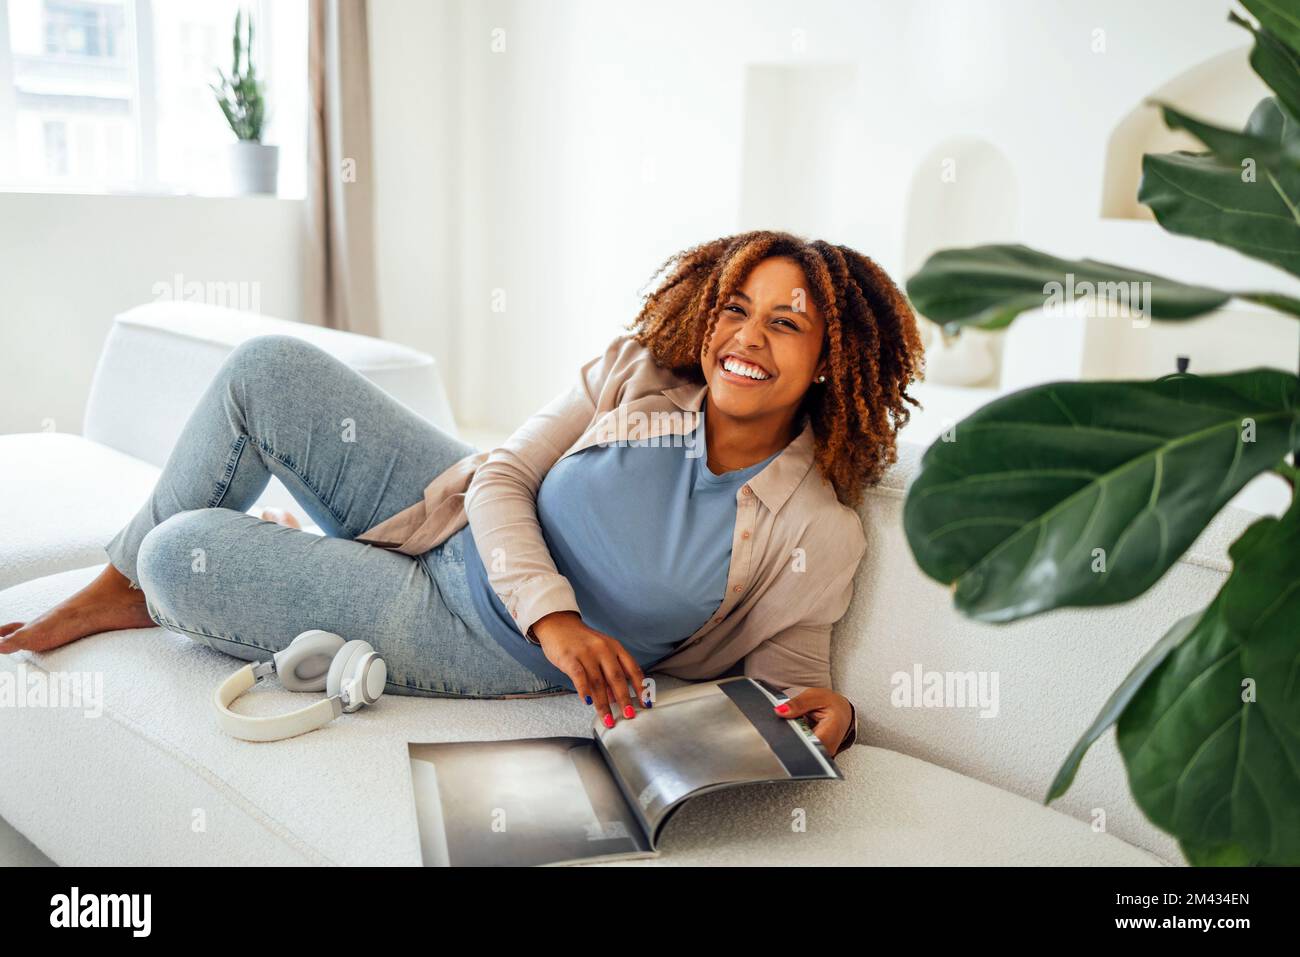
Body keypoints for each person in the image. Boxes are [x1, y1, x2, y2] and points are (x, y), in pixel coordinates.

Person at [1, 230, 924, 756]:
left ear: (831, 361)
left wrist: (830, 712)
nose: (746, 337)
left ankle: (149, 568)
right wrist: (558, 612)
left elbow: (791, 677)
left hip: (466, 626)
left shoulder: (817, 525)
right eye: (737, 306)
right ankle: (119, 585)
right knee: (267, 369)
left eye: (786, 323)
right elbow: (502, 474)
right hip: (454, 503)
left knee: (183, 553)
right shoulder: (641, 371)